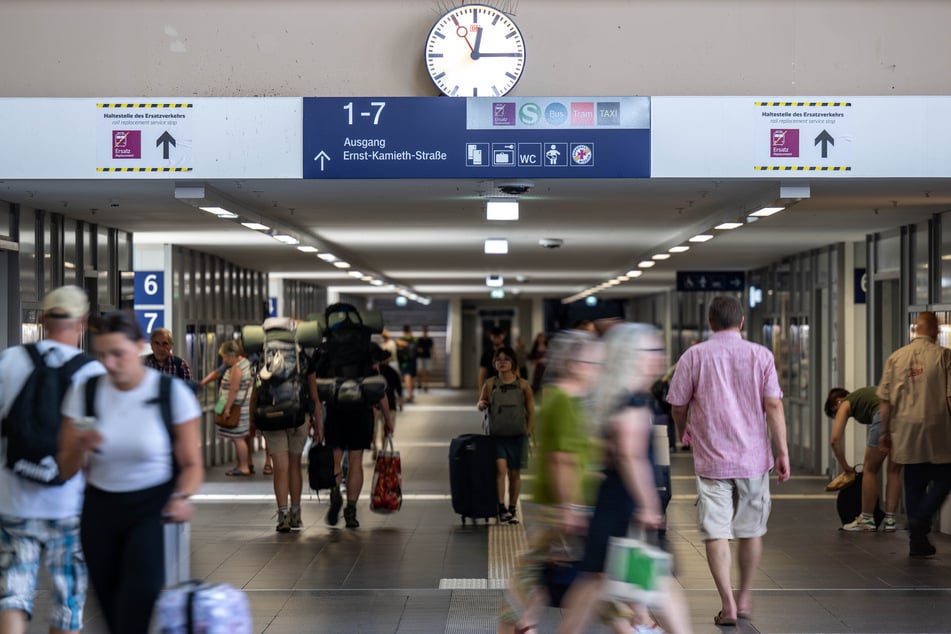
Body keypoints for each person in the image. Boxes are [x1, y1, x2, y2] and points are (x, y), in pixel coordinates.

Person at [57, 310, 203, 634]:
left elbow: (192, 465)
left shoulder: (170, 394)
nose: (109, 363)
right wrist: (80, 446)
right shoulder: (86, 393)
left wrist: (181, 496)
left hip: (150, 512)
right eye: (102, 354)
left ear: (138, 346)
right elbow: (65, 469)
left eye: (118, 353)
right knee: (112, 613)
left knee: (137, 602)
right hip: (99, 513)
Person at [558, 323, 692, 634]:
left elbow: (605, 455)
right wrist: (648, 506)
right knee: (660, 581)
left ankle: (640, 622)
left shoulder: (612, 398)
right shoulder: (632, 401)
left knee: (593, 584)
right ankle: (649, 624)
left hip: (611, 505)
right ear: (631, 356)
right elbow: (630, 456)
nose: (658, 358)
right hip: (627, 509)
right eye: (651, 351)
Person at [667, 296, 790, 626]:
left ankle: (727, 603)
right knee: (752, 530)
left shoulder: (694, 356)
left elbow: (677, 405)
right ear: (741, 323)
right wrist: (782, 452)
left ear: (709, 323)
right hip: (753, 458)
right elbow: (774, 406)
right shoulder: (760, 355)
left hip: (712, 458)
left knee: (716, 530)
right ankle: (746, 595)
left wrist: (684, 430)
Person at [0, 285, 105, 634]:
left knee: (14, 593)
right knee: (68, 600)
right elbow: (92, 445)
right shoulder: (91, 372)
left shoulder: (10, 359)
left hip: (13, 499)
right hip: (68, 504)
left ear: (43, 320)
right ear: (83, 322)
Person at [878, 311, 951, 557]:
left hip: (906, 431)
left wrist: (884, 433)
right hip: (939, 430)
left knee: (914, 482)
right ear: (934, 330)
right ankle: (921, 519)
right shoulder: (944, 356)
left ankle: (917, 541)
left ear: (915, 329)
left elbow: (885, 403)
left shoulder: (895, 358)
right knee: (945, 478)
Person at [315, 352, 394, 530]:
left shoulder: (329, 352)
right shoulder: (367, 352)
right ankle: (351, 511)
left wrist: (317, 421)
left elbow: (317, 389)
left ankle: (335, 494)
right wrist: (388, 420)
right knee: (355, 461)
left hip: (335, 412)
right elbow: (380, 391)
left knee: (335, 459)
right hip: (361, 412)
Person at [824, 386, 901, 531]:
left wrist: (845, 466)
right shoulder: (863, 396)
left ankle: (867, 519)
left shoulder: (845, 403)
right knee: (894, 471)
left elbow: (835, 440)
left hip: (883, 415)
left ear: (837, 402)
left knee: (869, 470)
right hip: (902, 416)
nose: (839, 415)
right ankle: (890, 520)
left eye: (835, 412)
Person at [478, 346, 535, 524]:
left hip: (518, 436)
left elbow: (531, 412)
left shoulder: (524, 385)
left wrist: (528, 432)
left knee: (515, 473)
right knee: (500, 471)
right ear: (494, 363)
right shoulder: (490, 384)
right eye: (498, 359)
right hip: (497, 435)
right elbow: (481, 401)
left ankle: (512, 509)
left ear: (513, 363)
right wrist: (481, 404)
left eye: (506, 359)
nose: (502, 362)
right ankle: (501, 507)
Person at [215, 340, 254, 477]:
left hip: (236, 407)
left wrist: (227, 409)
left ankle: (243, 467)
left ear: (232, 355)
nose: (224, 360)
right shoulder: (245, 364)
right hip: (241, 407)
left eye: (225, 357)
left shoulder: (237, 368)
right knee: (238, 437)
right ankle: (241, 465)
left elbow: (234, 389)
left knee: (238, 438)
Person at [398, 325, 417, 403]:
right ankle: (411, 394)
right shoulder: (414, 339)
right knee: (412, 378)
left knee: (407, 377)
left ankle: (409, 395)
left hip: (404, 362)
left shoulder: (401, 340)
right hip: (413, 361)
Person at [416, 325, 434, 392]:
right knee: (419, 372)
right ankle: (419, 383)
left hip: (427, 357)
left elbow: (432, 349)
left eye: (426, 330)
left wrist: (434, 357)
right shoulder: (419, 339)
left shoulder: (429, 340)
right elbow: (417, 348)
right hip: (420, 357)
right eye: (424, 330)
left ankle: (426, 385)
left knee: (427, 372)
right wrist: (419, 350)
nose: (425, 332)